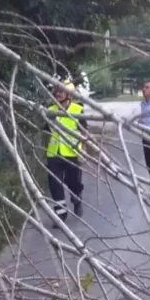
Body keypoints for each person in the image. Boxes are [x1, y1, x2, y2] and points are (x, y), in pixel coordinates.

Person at [44, 80, 88, 226]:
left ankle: (77, 198)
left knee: (73, 182)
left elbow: (84, 133)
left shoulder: (77, 109)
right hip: (54, 153)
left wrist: (83, 151)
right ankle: (60, 215)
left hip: (72, 153)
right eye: (56, 91)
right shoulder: (50, 110)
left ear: (69, 95)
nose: (58, 93)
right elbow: (44, 130)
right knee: (55, 184)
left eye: (61, 91)